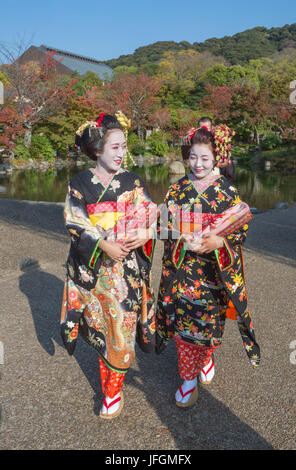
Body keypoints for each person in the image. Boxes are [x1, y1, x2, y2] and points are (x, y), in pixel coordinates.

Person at [60, 113, 157, 419]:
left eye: (124, 146)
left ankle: (112, 392)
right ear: (97, 150)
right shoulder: (79, 183)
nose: (121, 153)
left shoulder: (131, 180)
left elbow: (149, 210)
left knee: (122, 335)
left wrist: (145, 232)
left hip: (125, 271)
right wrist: (104, 245)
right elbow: (74, 220)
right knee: (100, 329)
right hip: (94, 270)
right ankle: (109, 383)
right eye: (114, 147)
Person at [156, 126, 260, 408]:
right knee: (184, 323)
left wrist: (218, 241)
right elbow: (162, 225)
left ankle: (206, 356)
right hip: (184, 269)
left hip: (213, 272)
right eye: (192, 157)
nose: (198, 164)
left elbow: (240, 229)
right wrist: (180, 236)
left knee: (209, 322)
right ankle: (188, 380)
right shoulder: (177, 189)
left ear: (217, 158)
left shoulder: (227, 191)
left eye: (204, 158)